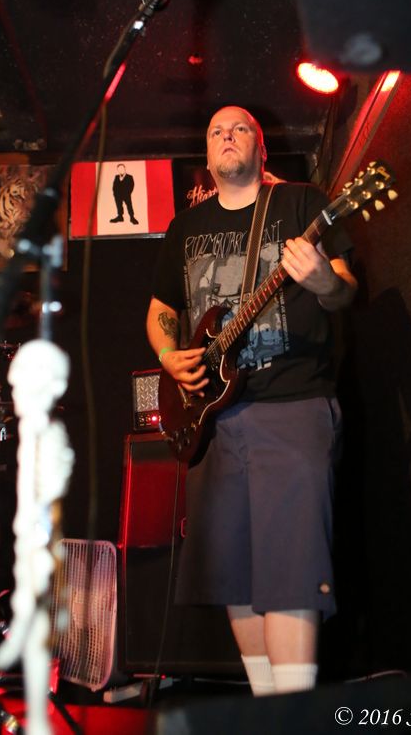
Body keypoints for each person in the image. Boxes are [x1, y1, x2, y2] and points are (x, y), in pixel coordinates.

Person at [146, 106, 357, 696]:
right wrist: (170, 356)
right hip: (213, 419)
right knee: (231, 572)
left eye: (240, 128)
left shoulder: (300, 202)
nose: (227, 136)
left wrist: (323, 280)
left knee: (291, 565)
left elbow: (344, 291)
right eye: (215, 130)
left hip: (291, 401)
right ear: (207, 154)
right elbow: (161, 309)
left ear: (261, 148)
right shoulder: (185, 228)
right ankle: (270, 706)